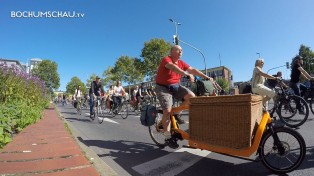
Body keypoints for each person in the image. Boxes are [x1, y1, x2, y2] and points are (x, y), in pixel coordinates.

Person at [155, 45, 213, 149]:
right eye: (178, 50)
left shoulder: (182, 63)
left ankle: (176, 113)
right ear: (172, 51)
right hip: (162, 87)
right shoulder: (166, 59)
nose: (181, 51)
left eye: (182, 50)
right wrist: (185, 73)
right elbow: (172, 67)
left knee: (191, 96)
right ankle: (167, 137)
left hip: (175, 86)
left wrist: (206, 76)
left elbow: (193, 70)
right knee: (167, 111)